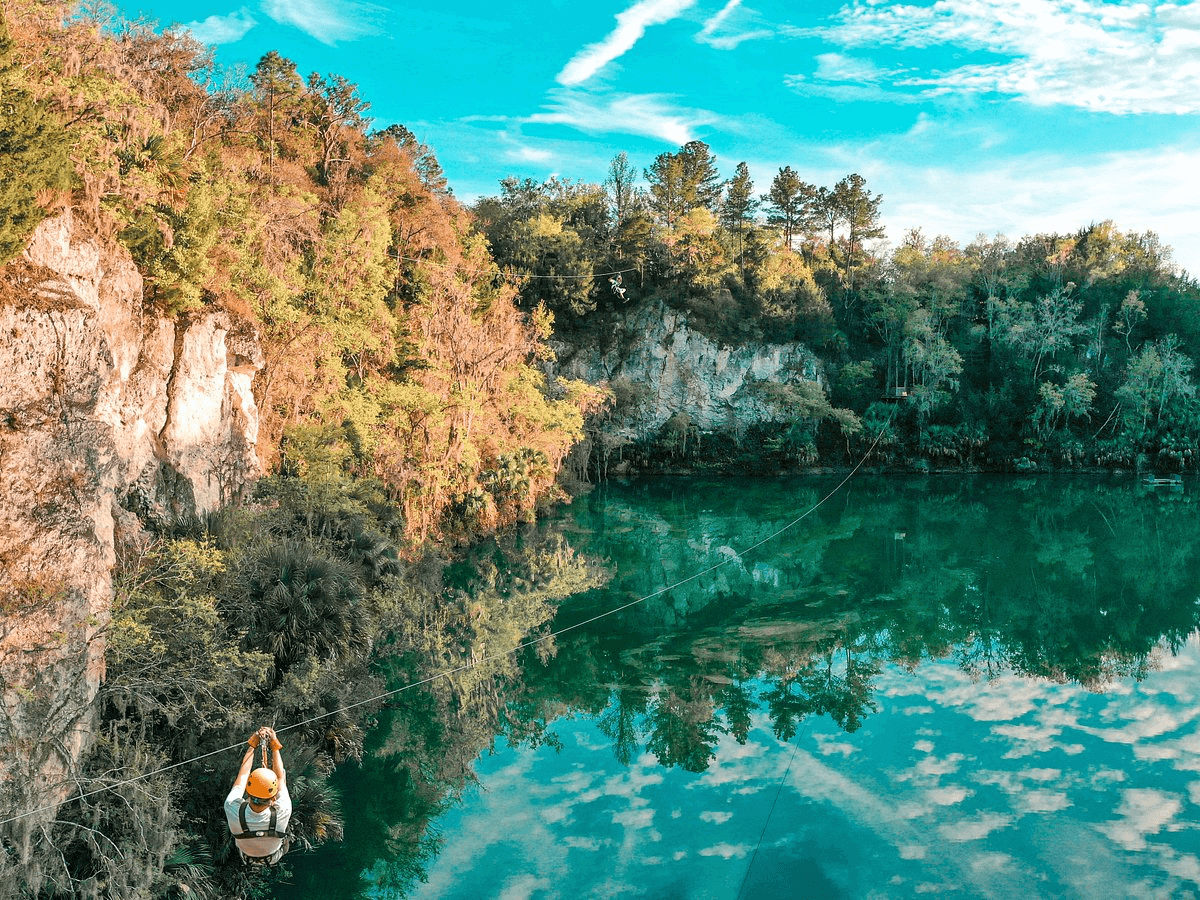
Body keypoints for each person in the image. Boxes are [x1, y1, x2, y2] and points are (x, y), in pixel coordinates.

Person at [225, 726, 291, 866]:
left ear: (247, 792)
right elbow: (280, 779)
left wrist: (252, 745)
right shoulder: (283, 810)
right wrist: (274, 746)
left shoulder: (232, 806)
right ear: (272, 798)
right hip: (271, 856)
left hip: (246, 855)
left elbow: (243, 775)